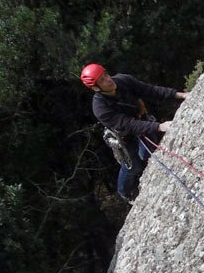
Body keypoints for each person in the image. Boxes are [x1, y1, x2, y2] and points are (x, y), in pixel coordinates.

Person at [80, 63, 189, 203]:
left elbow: (150, 90)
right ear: (96, 88)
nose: (108, 79)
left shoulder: (123, 80)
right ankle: (124, 192)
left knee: (145, 154)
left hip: (140, 120)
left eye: (106, 75)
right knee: (133, 166)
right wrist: (159, 126)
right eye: (102, 80)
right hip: (124, 136)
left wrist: (180, 95)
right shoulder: (100, 108)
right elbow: (128, 124)